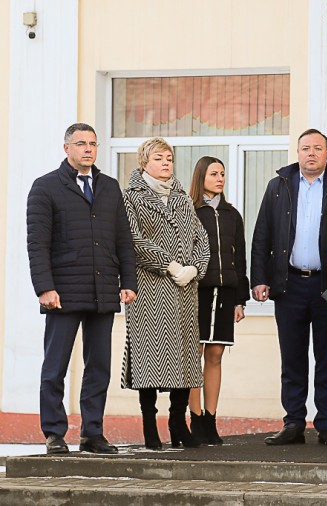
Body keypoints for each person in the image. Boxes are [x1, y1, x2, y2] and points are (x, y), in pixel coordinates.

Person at [27, 123, 137, 455]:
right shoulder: (45, 187)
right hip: (62, 293)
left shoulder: (109, 187)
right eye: (81, 144)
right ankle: (54, 433)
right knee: (55, 366)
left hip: (103, 291)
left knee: (99, 366)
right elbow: (37, 244)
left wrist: (128, 283)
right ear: (67, 149)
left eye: (93, 144)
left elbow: (123, 240)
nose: (88, 149)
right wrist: (45, 287)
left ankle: (92, 433)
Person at [251, 128, 327, 446]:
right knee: (293, 358)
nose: (311, 153)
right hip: (289, 285)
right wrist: (259, 278)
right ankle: (294, 422)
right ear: (297, 153)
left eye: (317, 148)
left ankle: (326, 424)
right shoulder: (279, 187)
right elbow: (262, 235)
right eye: (305, 148)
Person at [121, 137, 210, 450]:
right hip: (150, 288)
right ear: (144, 162)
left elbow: (202, 239)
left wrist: (194, 270)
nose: (166, 163)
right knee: (151, 358)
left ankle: (178, 422)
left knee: (185, 360)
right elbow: (133, 239)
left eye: (169, 158)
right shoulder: (131, 197)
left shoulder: (183, 198)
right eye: (159, 158)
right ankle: (149, 424)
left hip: (184, 290)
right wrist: (170, 266)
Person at [187, 156, 249, 445]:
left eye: (223, 173)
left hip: (225, 293)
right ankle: (195, 417)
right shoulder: (189, 212)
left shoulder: (232, 215)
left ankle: (210, 418)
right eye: (214, 174)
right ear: (202, 178)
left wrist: (240, 299)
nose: (220, 178)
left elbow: (240, 259)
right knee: (193, 355)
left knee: (215, 355)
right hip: (196, 292)